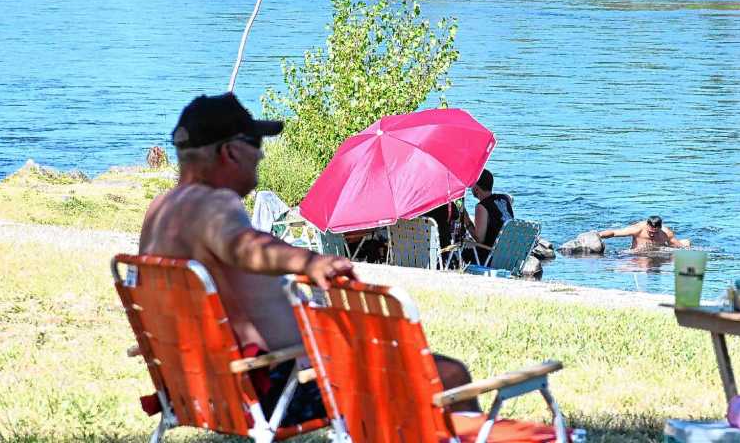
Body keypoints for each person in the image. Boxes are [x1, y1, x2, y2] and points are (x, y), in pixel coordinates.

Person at [139, 92, 478, 422]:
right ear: (229, 152)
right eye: (256, 144)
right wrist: (310, 262)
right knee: (448, 375)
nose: (261, 156)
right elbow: (243, 246)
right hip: (274, 392)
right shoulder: (215, 204)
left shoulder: (161, 211)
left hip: (197, 386)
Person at [462, 169, 513, 264]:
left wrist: (466, 220)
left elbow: (479, 239)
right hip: (509, 254)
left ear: (477, 188)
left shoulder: (481, 207)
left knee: (462, 251)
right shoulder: (505, 198)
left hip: (491, 255)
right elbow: (511, 198)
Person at [597, 215, 691, 251]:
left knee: (686, 243)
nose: (652, 234)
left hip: (657, 252)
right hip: (636, 252)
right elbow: (614, 232)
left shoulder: (666, 233)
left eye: (655, 232)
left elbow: (678, 247)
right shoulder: (637, 229)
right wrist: (599, 235)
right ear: (647, 225)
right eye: (650, 232)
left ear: (660, 227)